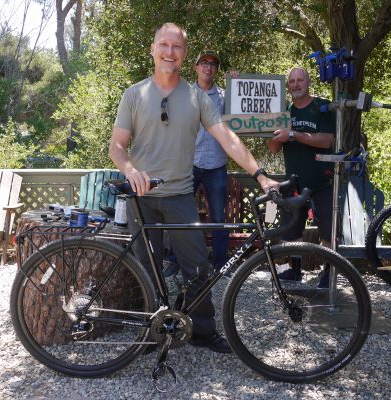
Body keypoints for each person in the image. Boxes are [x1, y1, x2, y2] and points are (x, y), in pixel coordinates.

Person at [109, 23, 279, 353]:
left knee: (198, 267)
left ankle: (202, 330)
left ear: (184, 54)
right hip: (141, 198)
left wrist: (259, 173)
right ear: (153, 48)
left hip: (180, 195)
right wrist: (129, 169)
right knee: (147, 269)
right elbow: (117, 146)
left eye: (177, 47)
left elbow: (228, 139)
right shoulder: (134, 94)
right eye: (164, 45)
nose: (169, 52)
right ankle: (151, 330)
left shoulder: (197, 97)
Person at [164, 49, 229, 277]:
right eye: (204, 63)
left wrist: (239, 86)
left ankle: (221, 264)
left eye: (213, 64)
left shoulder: (226, 97)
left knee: (219, 217)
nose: (208, 67)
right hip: (188, 164)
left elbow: (243, 119)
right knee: (179, 214)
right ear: (196, 67)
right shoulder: (183, 94)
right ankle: (175, 261)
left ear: (216, 70)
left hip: (217, 165)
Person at [267, 66, 336, 282]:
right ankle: (295, 269)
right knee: (292, 229)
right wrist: (274, 132)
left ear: (309, 83)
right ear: (287, 86)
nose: (296, 84)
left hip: (322, 181)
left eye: (300, 80)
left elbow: (327, 140)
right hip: (294, 182)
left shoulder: (322, 107)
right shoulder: (284, 111)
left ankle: (328, 273)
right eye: (292, 81)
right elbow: (273, 149)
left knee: (327, 231)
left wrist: (294, 135)